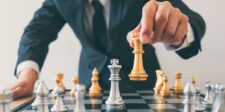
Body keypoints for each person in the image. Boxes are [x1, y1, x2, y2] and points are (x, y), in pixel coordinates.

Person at [6, 0, 205, 99]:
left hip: (142, 87)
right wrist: (27, 74)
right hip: (88, 86)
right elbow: (37, 30)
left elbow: (191, 19)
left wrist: (178, 31)